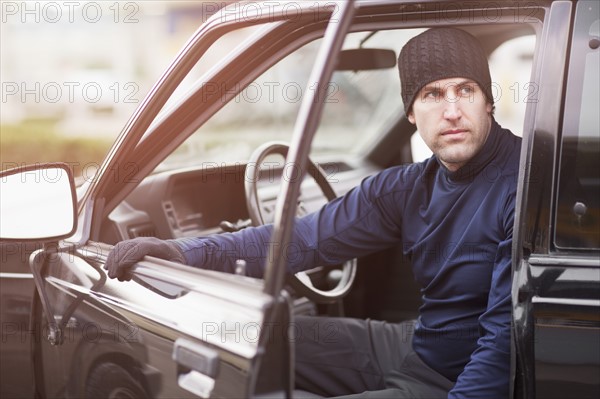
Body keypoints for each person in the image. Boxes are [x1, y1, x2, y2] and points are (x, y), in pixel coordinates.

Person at [106, 27, 521, 398]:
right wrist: (182, 253)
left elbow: (506, 343)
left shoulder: (522, 184)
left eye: (465, 90)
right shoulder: (409, 186)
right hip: (417, 345)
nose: (451, 110)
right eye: (432, 94)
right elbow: (302, 241)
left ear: (488, 101)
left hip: (453, 377)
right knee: (251, 338)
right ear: (411, 113)